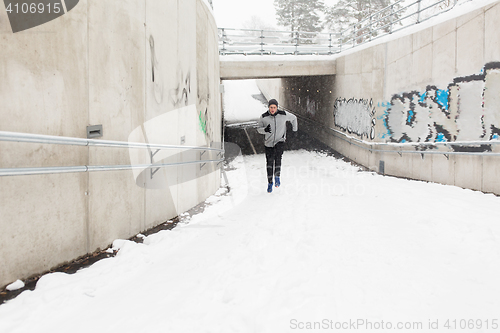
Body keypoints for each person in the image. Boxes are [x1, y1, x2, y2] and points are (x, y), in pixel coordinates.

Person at [257, 99, 298, 193]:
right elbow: (258, 129)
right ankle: (270, 183)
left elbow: (294, 118)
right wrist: (265, 130)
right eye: (271, 107)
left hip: (280, 141)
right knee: (269, 163)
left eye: (274, 107)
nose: (272, 109)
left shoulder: (283, 114)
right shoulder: (264, 117)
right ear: (268, 107)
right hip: (268, 143)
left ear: (277, 107)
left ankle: (277, 177)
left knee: (278, 159)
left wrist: (295, 131)